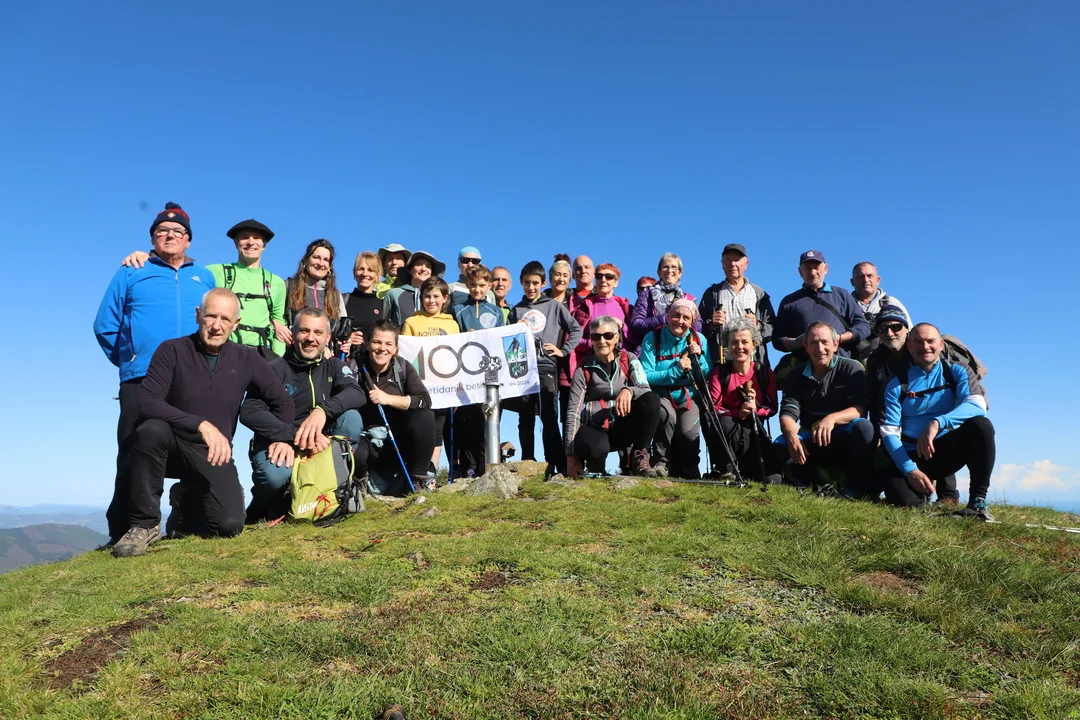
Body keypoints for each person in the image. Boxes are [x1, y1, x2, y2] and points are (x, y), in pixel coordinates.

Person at [112, 289, 295, 557]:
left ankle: (186, 501)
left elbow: (283, 402)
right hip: (170, 445)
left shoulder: (247, 358)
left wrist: (282, 437)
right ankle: (144, 525)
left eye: (225, 319)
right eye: (211, 316)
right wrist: (201, 424)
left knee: (229, 525)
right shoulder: (172, 350)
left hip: (213, 453)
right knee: (150, 430)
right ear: (198, 315)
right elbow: (148, 402)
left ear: (236, 323)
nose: (216, 325)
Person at [94, 202, 216, 545]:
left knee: (191, 447)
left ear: (188, 239)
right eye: (162, 231)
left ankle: (190, 516)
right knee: (132, 449)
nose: (170, 235)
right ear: (152, 238)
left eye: (178, 231)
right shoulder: (131, 271)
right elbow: (105, 325)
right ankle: (125, 528)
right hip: (141, 377)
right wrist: (130, 359)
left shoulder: (204, 277)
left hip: (190, 377)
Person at [238, 308, 366, 522]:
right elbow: (250, 410)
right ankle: (265, 506)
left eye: (318, 332)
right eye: (304, 331)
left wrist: (322, 410)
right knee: (273, 478)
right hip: (281, 442)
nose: (310, 338)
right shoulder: (273, 369)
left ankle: (335, 490)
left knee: (352, 418)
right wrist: (290, 436)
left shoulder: (334, 366)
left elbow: (356, 393)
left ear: (328, 337)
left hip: (321, 443)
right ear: (293, 332)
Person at [118, 218, 290, 355]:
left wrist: (277, 361)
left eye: (256, 238)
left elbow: (279, 326)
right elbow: (178, 268)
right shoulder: (214, 272)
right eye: (245, 237)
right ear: (236, 243)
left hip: (263, 356)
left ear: (264, 245)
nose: (250, 242)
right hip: (226, 353)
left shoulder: (276, 283)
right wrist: (148, 257)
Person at [880, 323, 995, 518]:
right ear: (909, 346)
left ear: (941, 344)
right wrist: (910, 470)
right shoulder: (895, 383)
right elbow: (890, 432)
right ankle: (924, 497)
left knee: (981, 426)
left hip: (945, 450)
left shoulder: (957, 371)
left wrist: (937, 423)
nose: (925, 347)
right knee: (905, 503)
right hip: (912, 455)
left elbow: (977, 405)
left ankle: (977, 502)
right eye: (918, 342)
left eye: (930, 341)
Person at [774, 322, 875, 497]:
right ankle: (811, 482)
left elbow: (859, 409)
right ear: (805, 346)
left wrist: (831, 419)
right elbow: (788, 413)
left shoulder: (852, 368)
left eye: (824, 342)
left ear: (835, 344)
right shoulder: (794, 375)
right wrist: (791, 436)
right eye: (814, 343)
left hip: (843, 438)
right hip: (811, 439)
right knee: (780, 444)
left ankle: (856, 487)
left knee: (864, 427)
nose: (820, 348)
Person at [508, 260, 583, 475]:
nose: (531, 287)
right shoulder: (516, 310)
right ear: (521, 283)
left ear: (543, 283)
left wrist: (563, 350)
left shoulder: (554, 306)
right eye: (526, 283)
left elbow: (576, 329)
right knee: (525, 416)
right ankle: (528, 460)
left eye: (535, 283)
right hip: (522, 369)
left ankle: (556, 462)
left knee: (548, 414)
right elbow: (509, 342)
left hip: (545, 366)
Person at [564, 316, 661, 478]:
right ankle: (594, 465)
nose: (602, 341)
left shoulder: (629, 359)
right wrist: (571, 454)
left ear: (616, 337)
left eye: (608, 335)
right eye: (596, 336)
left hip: (622, 426)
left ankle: (639, 455)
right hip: (594, 427)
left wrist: (629, 390)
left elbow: (645, 389)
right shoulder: (583, 369)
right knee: (596, 451)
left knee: (652, 400)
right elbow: (573, 413)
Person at [354, 320, 437, 495]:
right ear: (367, 344)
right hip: (367, 441)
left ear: (396, 348)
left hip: (398, 441)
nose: (382, 348)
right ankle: (359, 484)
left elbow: (424, 400)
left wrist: (387, 399)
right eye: (377, 342)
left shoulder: (403, 368)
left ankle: (418, 481)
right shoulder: (354, 367)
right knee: (354, 450)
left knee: (425, 417)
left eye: (388, 344)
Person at [638, 298, 710, 478]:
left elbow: (706, 373)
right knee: (666, 416)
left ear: (693, 321)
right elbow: (646, 375)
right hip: (661, 394)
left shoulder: (699, 340)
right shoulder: (652, 338)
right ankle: (661, 463)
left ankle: (689, 468)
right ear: (668, 315)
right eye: (676, 315)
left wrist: (698, 357)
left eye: (686, 318)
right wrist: (676, 370)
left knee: (688, 432)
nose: (680, 321)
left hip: (688, 396)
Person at [705, 317, 781, 482]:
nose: (739, 347)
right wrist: (738, 413)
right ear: (727, 345)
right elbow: (714, 409)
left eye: (745, 342)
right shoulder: (719, 373)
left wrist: (756, 408)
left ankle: (747, 469)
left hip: (754, 430)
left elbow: (772, 408)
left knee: (774, 480)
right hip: (729, 432)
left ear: (754, 344)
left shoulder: (764, 373)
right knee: (726, 423)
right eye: (734, 342)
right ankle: (727, 470)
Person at [401, 276, 459, 484]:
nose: (431, 300)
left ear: (445, 298)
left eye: (436, 296)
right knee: (419, 427)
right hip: (419, 386)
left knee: (437, 430)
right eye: (427, 296)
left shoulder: (452, 324)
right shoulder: (411, 322)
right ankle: (416, 470)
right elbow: (405, 355)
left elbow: (456, 357)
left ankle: (431, 474)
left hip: (443, 387)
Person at [772, 250, 871, 371]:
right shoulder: (789, 302)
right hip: (804, 370)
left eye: (816, 267)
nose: (813, 272)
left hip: (840, 368)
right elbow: (777, 340)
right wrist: (796, 342)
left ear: (826, 268)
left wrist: (838, 338)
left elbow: (863, 327)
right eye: (808, 268)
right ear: (800, 272)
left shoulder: (841, 295)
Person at [453, 264, 506, 475]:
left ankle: (487, 463)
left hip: (489, 373)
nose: (477, 289)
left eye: (482, 285)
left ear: (489, 286)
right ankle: (469, 466)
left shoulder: (496, 312)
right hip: (465, 373)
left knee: (488, 416)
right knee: (467, 419)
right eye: (473, 285)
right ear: (467, 285)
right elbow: (452, 339)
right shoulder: (458, 310)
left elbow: (500, 340)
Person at [698, 243, 775, 367]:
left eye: (737, 260)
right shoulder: (712, 294)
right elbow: (697, 328)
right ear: (722, 264)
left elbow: (772, 328)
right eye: (728, 260)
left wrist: (757, 325)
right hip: (720, 364)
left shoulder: (759, 294)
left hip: (752, 364)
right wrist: (711, 324)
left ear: (746, 264)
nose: (733, 264)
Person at [629, 253, 702, 351]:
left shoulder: (688, 299)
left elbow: (698, 328)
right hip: (651, 349)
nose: (670, 270)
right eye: (665, 267)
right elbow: (636, 324)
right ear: (659, 272)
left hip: (681, 351)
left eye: (674, 267)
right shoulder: (647, 295)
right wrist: (664, 318)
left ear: (680, 273)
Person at [570, 262, 632, 375]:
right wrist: (596, 342)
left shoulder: (624, 307)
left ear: (616, 282)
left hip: (620, 367)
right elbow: (574, 339)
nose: (603, 280)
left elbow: (634, 339)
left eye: (609, 277)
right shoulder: (584, 307)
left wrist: (622, 326)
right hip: (591, 367)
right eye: (599, 276)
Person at [284, 239, 347, 335]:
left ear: (330, 266)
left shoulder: (335, 295)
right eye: (316, 257)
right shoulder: (288, 286)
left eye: (326, 260)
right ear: (306, 260)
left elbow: (341, 331)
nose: (321, 264)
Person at [341, 251, 390, 358]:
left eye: (370, 270)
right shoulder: (342, 300)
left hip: (373, 362)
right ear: (354, 272)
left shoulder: (384, 306)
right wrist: (347, 338)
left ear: (377, 275)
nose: (365, 274)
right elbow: (331, 332)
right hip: (346, 362)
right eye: (361, 269)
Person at [386, 250, 445, 327]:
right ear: (410, 270)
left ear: (431, 273)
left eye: (428, 266)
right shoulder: (394, 294)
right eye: (418, 264)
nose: (423, 269)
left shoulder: (440, 297)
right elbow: (384, 325)